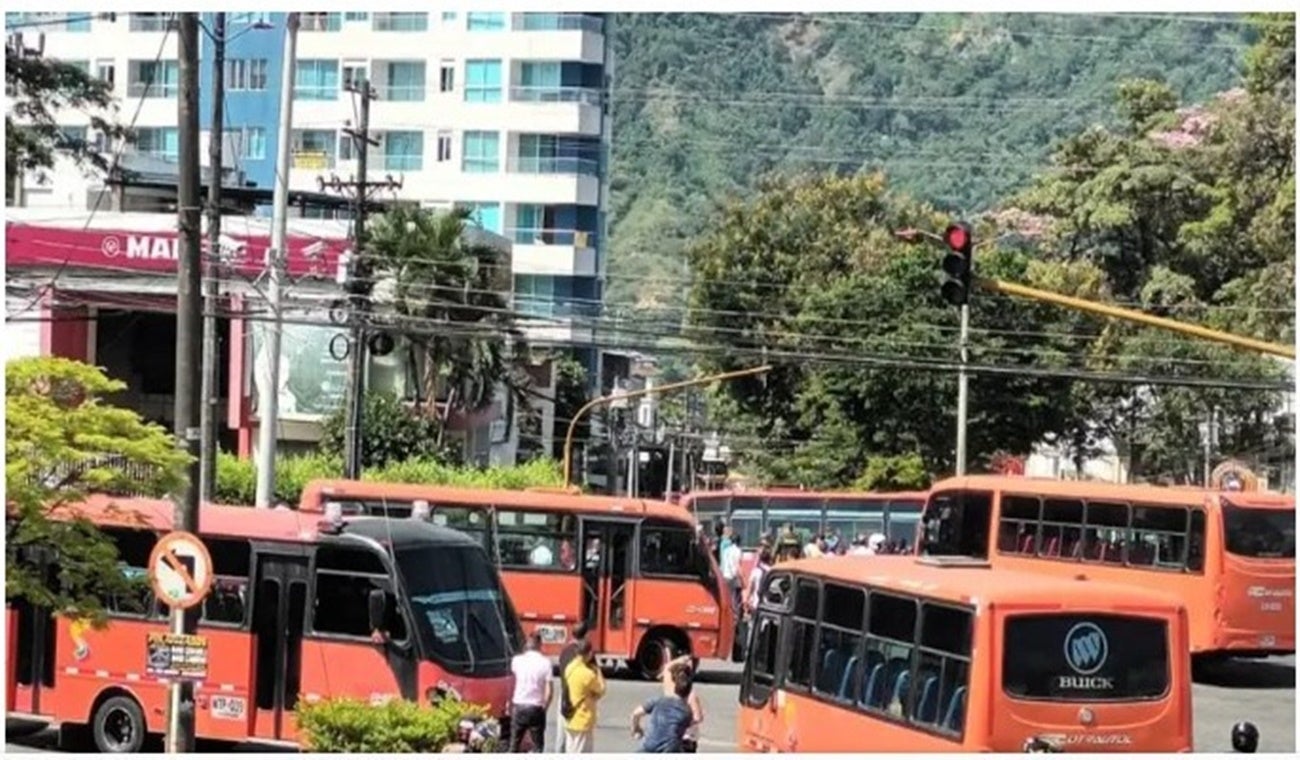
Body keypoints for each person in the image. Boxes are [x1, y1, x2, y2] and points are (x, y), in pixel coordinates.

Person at [630, 668, 700, 753]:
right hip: (670, 749)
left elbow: (635, 714)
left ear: (675, 687)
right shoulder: (687, 712)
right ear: (688, 693)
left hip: (649, 745)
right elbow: (685, 731)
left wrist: (635, 728)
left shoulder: (658, 700)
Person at [509, 631, 553, 752]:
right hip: (536, 707)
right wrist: (544, 708)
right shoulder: (546, 663)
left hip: (519, 706)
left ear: (527, 645)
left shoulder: (517, 660)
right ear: (540, 644)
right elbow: (549, 692)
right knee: (538, 746)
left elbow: (512, 681)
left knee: (514, 743)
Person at [561, 638, 606, 753]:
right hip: (582, 720)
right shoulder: (588, 674)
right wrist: (598, 671)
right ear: (590, 653)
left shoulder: (570, 668)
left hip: (570, 717)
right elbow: (602, 689)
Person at [554, 622, 589, 748]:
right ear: (586, 635)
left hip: (564, 696)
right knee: (576, 743)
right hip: (579, 700)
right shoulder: (584, 654)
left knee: (561, 739)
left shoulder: (564, 651)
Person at [718, 525, 742, 616]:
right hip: (732, 576)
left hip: (724, 574)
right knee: (734, 597)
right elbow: (736, 566)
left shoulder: (725, 547)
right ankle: (734, 616)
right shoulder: (734, 548)